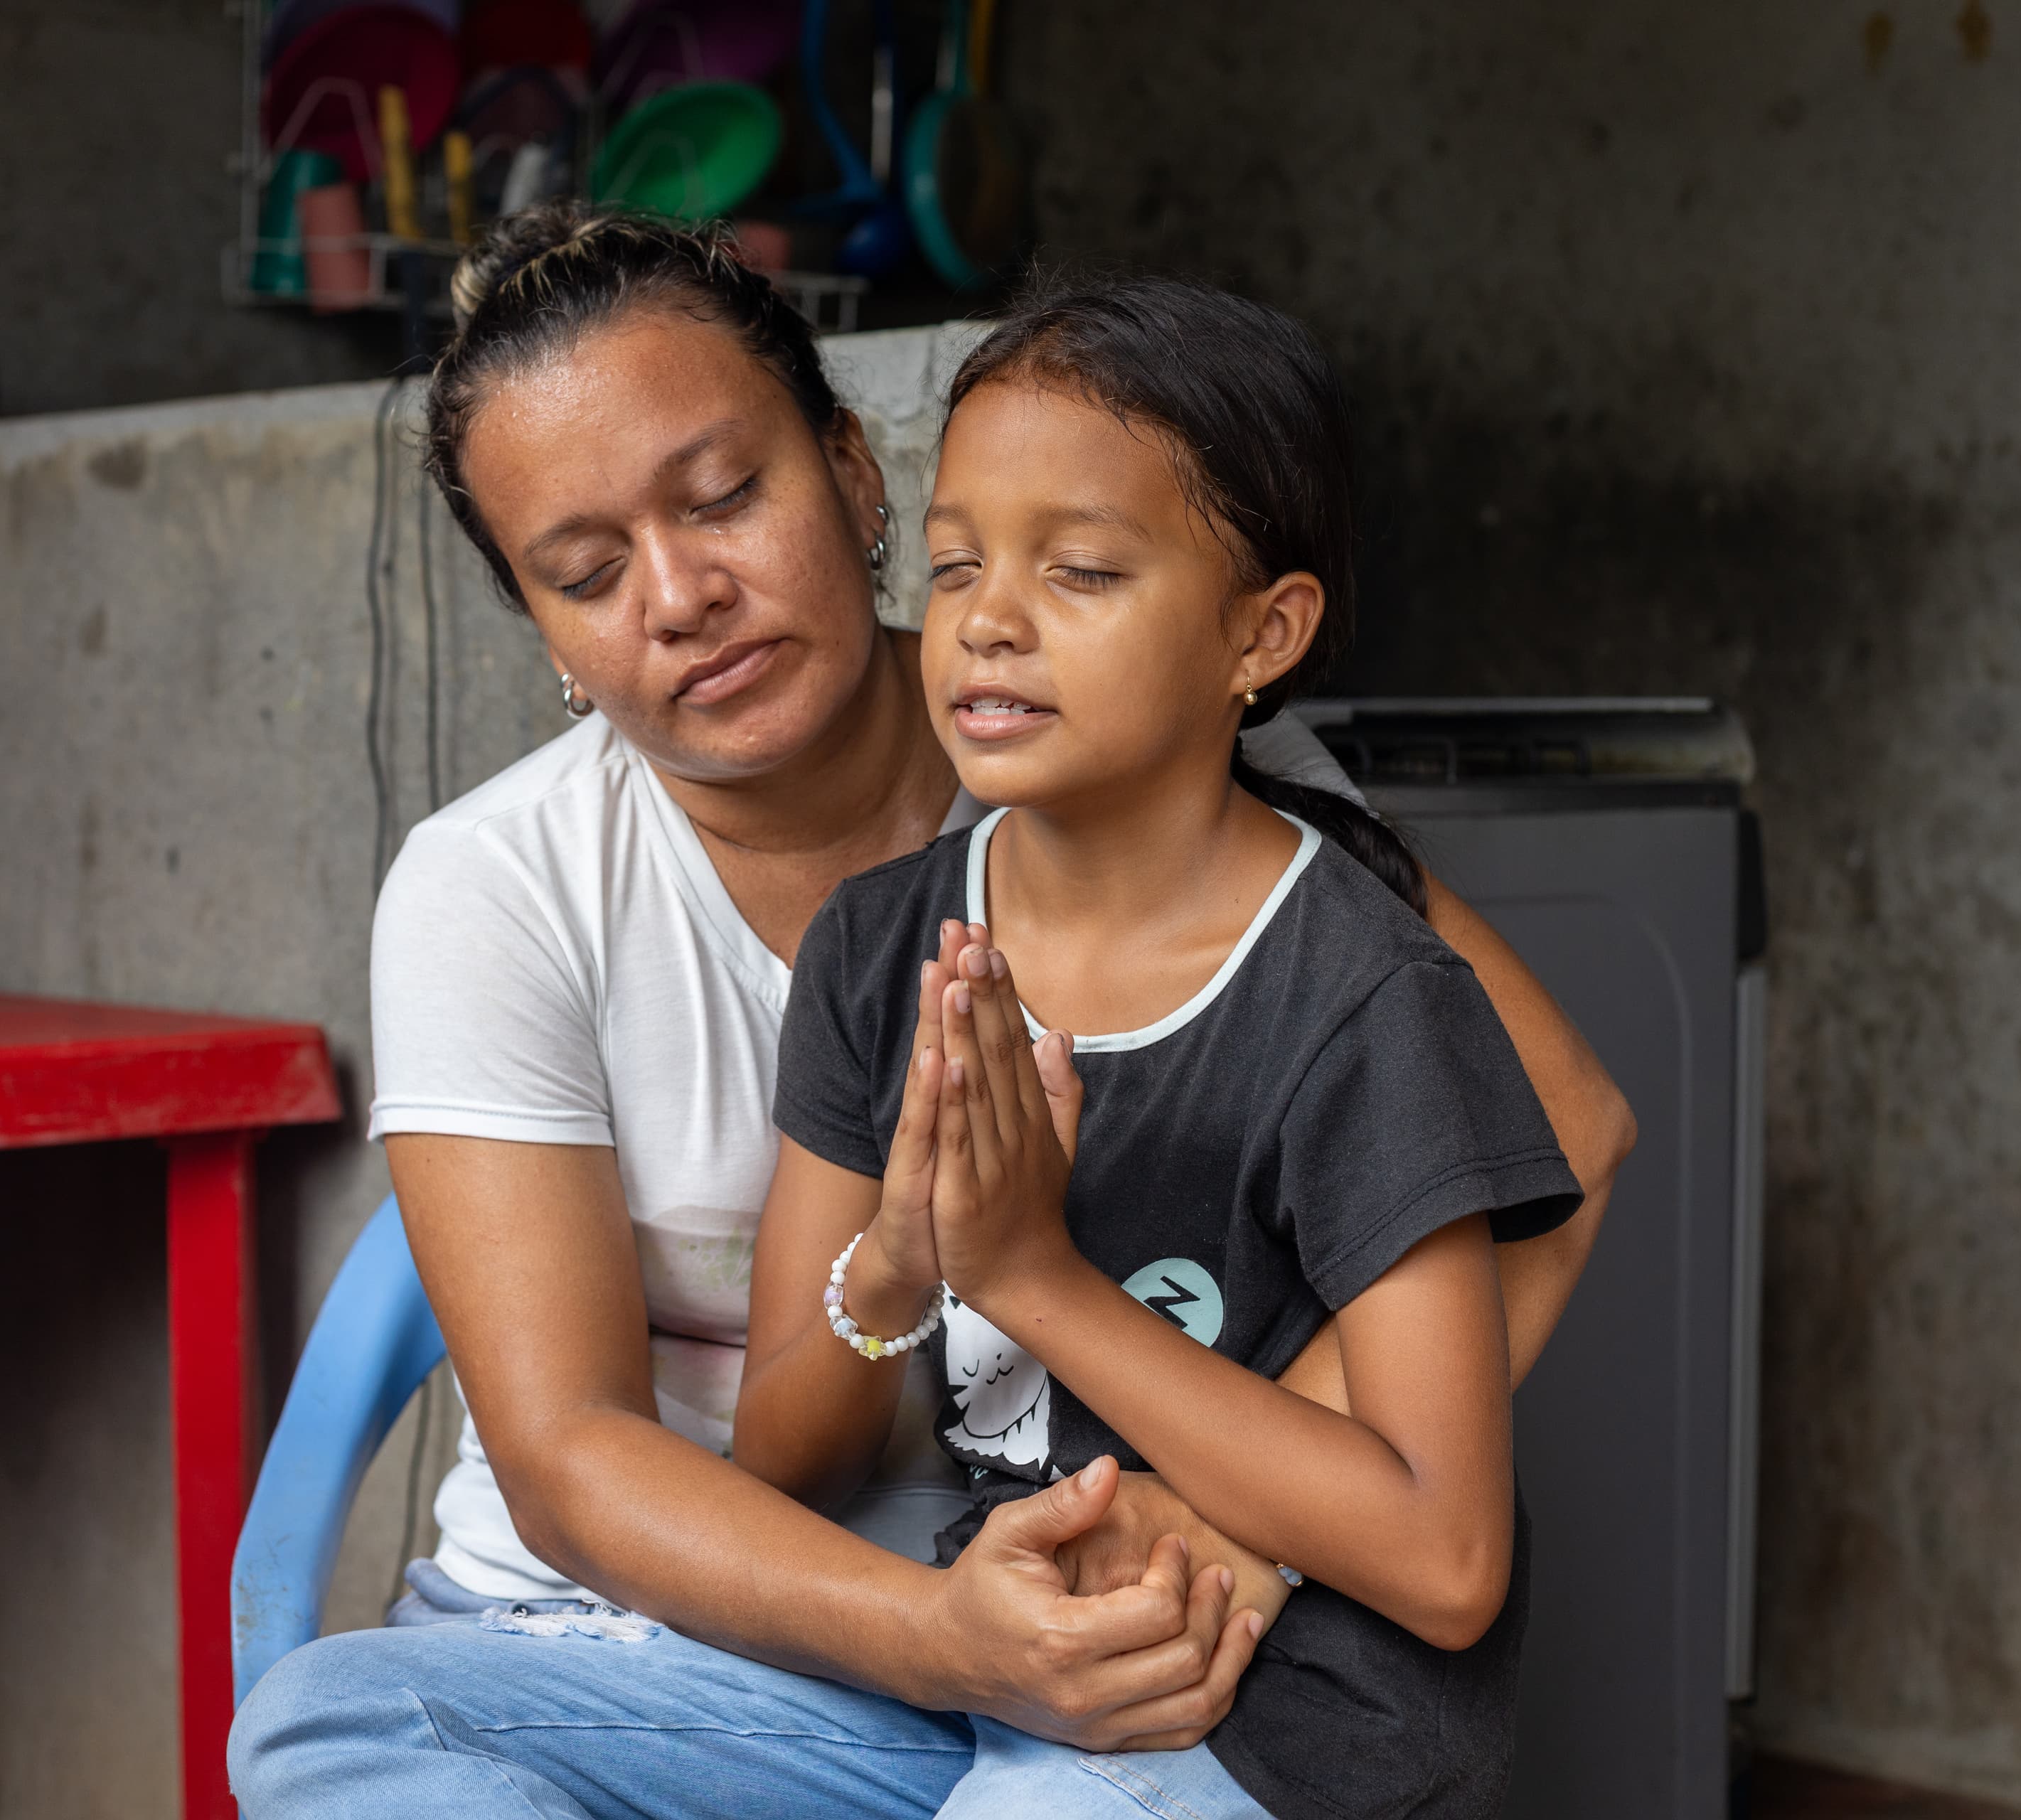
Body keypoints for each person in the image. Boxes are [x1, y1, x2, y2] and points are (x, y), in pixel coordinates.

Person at [228, 207, 1636, 1818]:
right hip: (704, 1644)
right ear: (544, 628)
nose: (680, 595)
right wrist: (948, 1616)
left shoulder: (1168, 752)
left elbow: (1559, 1128)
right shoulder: (517, 887)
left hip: (1110, 1632)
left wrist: (1230, 1516)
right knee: (336, 1723)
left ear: (852, 470)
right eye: (588, 570)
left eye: (726, 495)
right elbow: (575, 1460)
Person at [736, 273, 1567, 1819]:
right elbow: (782, 1465)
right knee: (364, 1714)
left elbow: (1451, 1561)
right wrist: (910, 1261)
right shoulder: (879, 950)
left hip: (1280, 1715)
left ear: (1266, 633)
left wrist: (1035, 1273)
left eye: (1085, 570)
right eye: (958, 560)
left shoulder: (1361, 993)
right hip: (987, 1661)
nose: (986, 615)